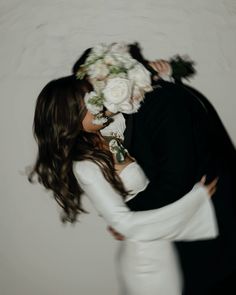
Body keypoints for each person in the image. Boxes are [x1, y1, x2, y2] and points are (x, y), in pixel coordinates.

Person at [28, 73, 218, 295]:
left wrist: (157, 76)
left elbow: (131, 105)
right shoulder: (85, 166)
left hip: (162, 247)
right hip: (147, 261)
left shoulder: (108, 132)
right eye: (88, 102)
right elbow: (125, 224)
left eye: (93, 97)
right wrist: (196, 200)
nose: (96, 103)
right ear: (69, 115)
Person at [108, 44, 236, 295]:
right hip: (190, 223)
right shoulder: (142, 106)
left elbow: (174, 178)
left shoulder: (163, 102)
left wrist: (125, 218)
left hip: (212, 226)